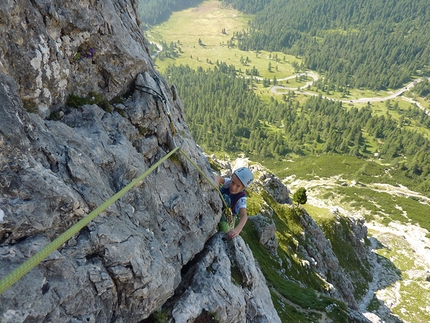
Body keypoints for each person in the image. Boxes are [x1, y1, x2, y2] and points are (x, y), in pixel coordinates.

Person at [214, 167, 254, 239]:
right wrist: (215, 187)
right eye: (233, 182)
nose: (233, 187)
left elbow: (244, 216)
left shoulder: (241, 197)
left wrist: (237, 230)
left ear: (243, 188)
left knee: (224, 228)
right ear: (231, 178)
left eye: (238, 186)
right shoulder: (228, 182)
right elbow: (217, 178)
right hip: (219, 205)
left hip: (228, 217)